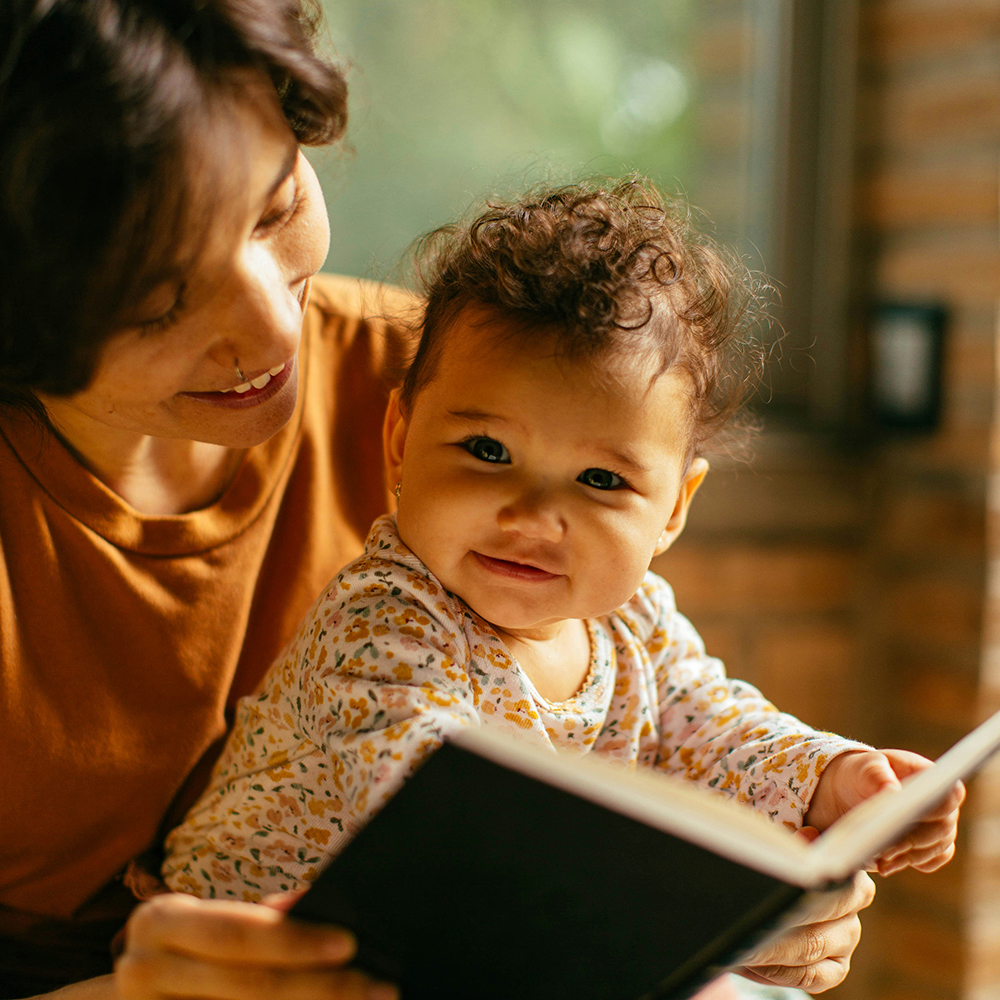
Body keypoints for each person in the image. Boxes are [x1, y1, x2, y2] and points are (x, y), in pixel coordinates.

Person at [160, 180, 964, 996]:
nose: (536, 516)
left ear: (673, 511)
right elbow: (449, 823)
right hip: (240, 960)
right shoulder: (384, 626)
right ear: (401, 441)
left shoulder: (636, 621)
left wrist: (834, 774)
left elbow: (717, 730)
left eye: (600, 479)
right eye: (487, 450)